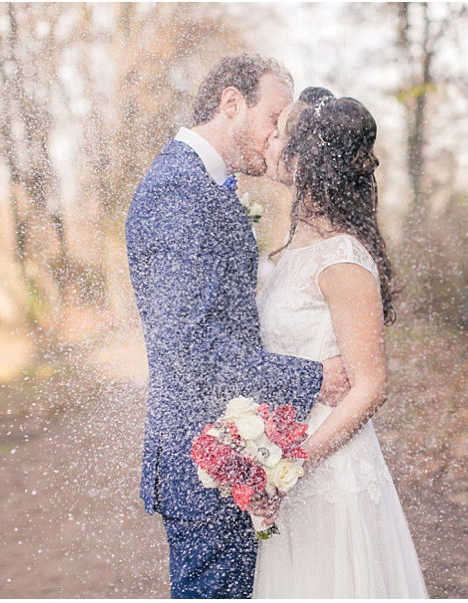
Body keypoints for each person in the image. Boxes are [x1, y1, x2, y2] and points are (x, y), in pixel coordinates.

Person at [125, 57, 348, 599]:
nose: (281, 135)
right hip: (205, 467)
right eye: (274, 117)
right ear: (231, 104)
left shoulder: (203, 187)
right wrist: (311, 378)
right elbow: (192, 353)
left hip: (231, 457)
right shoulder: (179, 193)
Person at [253, 89, 429, 598]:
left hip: (328, 474)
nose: (272, 138)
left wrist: (295, 463)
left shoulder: (343, 258)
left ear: (305, 157)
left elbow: (371, 386)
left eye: (281, 131)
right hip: (286, 459)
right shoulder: (288, 252)